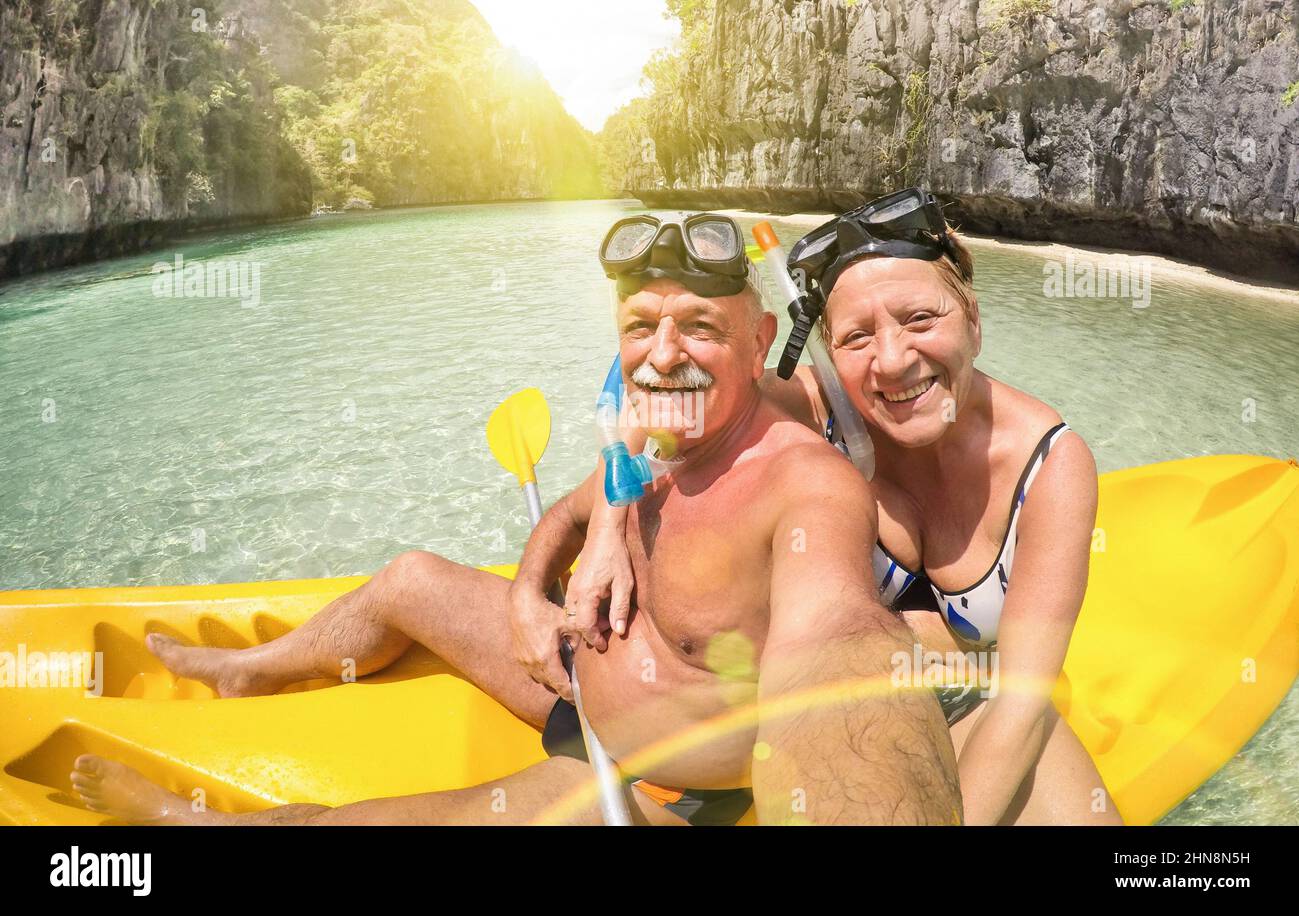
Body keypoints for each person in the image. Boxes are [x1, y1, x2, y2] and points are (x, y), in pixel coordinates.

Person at [69, 212, 961, 826]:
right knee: (410, 578)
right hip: (571, 679)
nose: (663, 355)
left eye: (699, 327)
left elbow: (840, 643)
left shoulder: (803, 485)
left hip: (657, 787)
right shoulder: (653, 434)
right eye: (640, 327)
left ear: (759, 342)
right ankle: (251, 670)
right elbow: (567, 516)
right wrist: (533, 599)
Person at [569, 189, 1122, 826]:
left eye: (919, 319)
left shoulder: (1050, 468)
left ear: (973, 319)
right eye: (857, 337)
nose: (892, 360)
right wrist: (606, 529)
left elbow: (1021, 704)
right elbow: (662, 382)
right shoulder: (819, 404)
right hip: (834, 721)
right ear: (829, 352)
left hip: (980, 708)